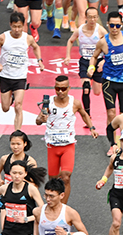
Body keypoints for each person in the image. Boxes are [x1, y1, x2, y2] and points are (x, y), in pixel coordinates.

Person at [34, 75, 95, 203]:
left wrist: (92, 128)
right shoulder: (48, 103)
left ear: (69, 88)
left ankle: (63, 208)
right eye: (57, 88)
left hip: (68, 145)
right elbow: (38, 121)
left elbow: (84, 114)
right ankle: (53, 204)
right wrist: (41, 119)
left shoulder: (75, 103)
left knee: (66, 178)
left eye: (63, 88)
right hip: (53, 146)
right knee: (53, 180)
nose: (60, 91)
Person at [87, 11, 123, 142]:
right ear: (107, 25)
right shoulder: (103, 42)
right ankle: (112, 144)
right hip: (109, 82)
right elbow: (94, 57)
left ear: (122, 25)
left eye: (117, 26)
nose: (114, 29)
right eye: (112, 25)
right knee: (111, 113)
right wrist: (91, 67)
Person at [0, 11, 44, 129]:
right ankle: (12, 97)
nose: (17, 29)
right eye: (14, 26)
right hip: (5, 76)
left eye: (19, 26)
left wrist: (39, 60)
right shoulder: (3, 37)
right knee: (5, 108)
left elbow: (36, 47)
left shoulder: (28, 38)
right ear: (10, 25)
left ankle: (17, 132)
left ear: (23, 25)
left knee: (18, 106)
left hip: (20, 77)